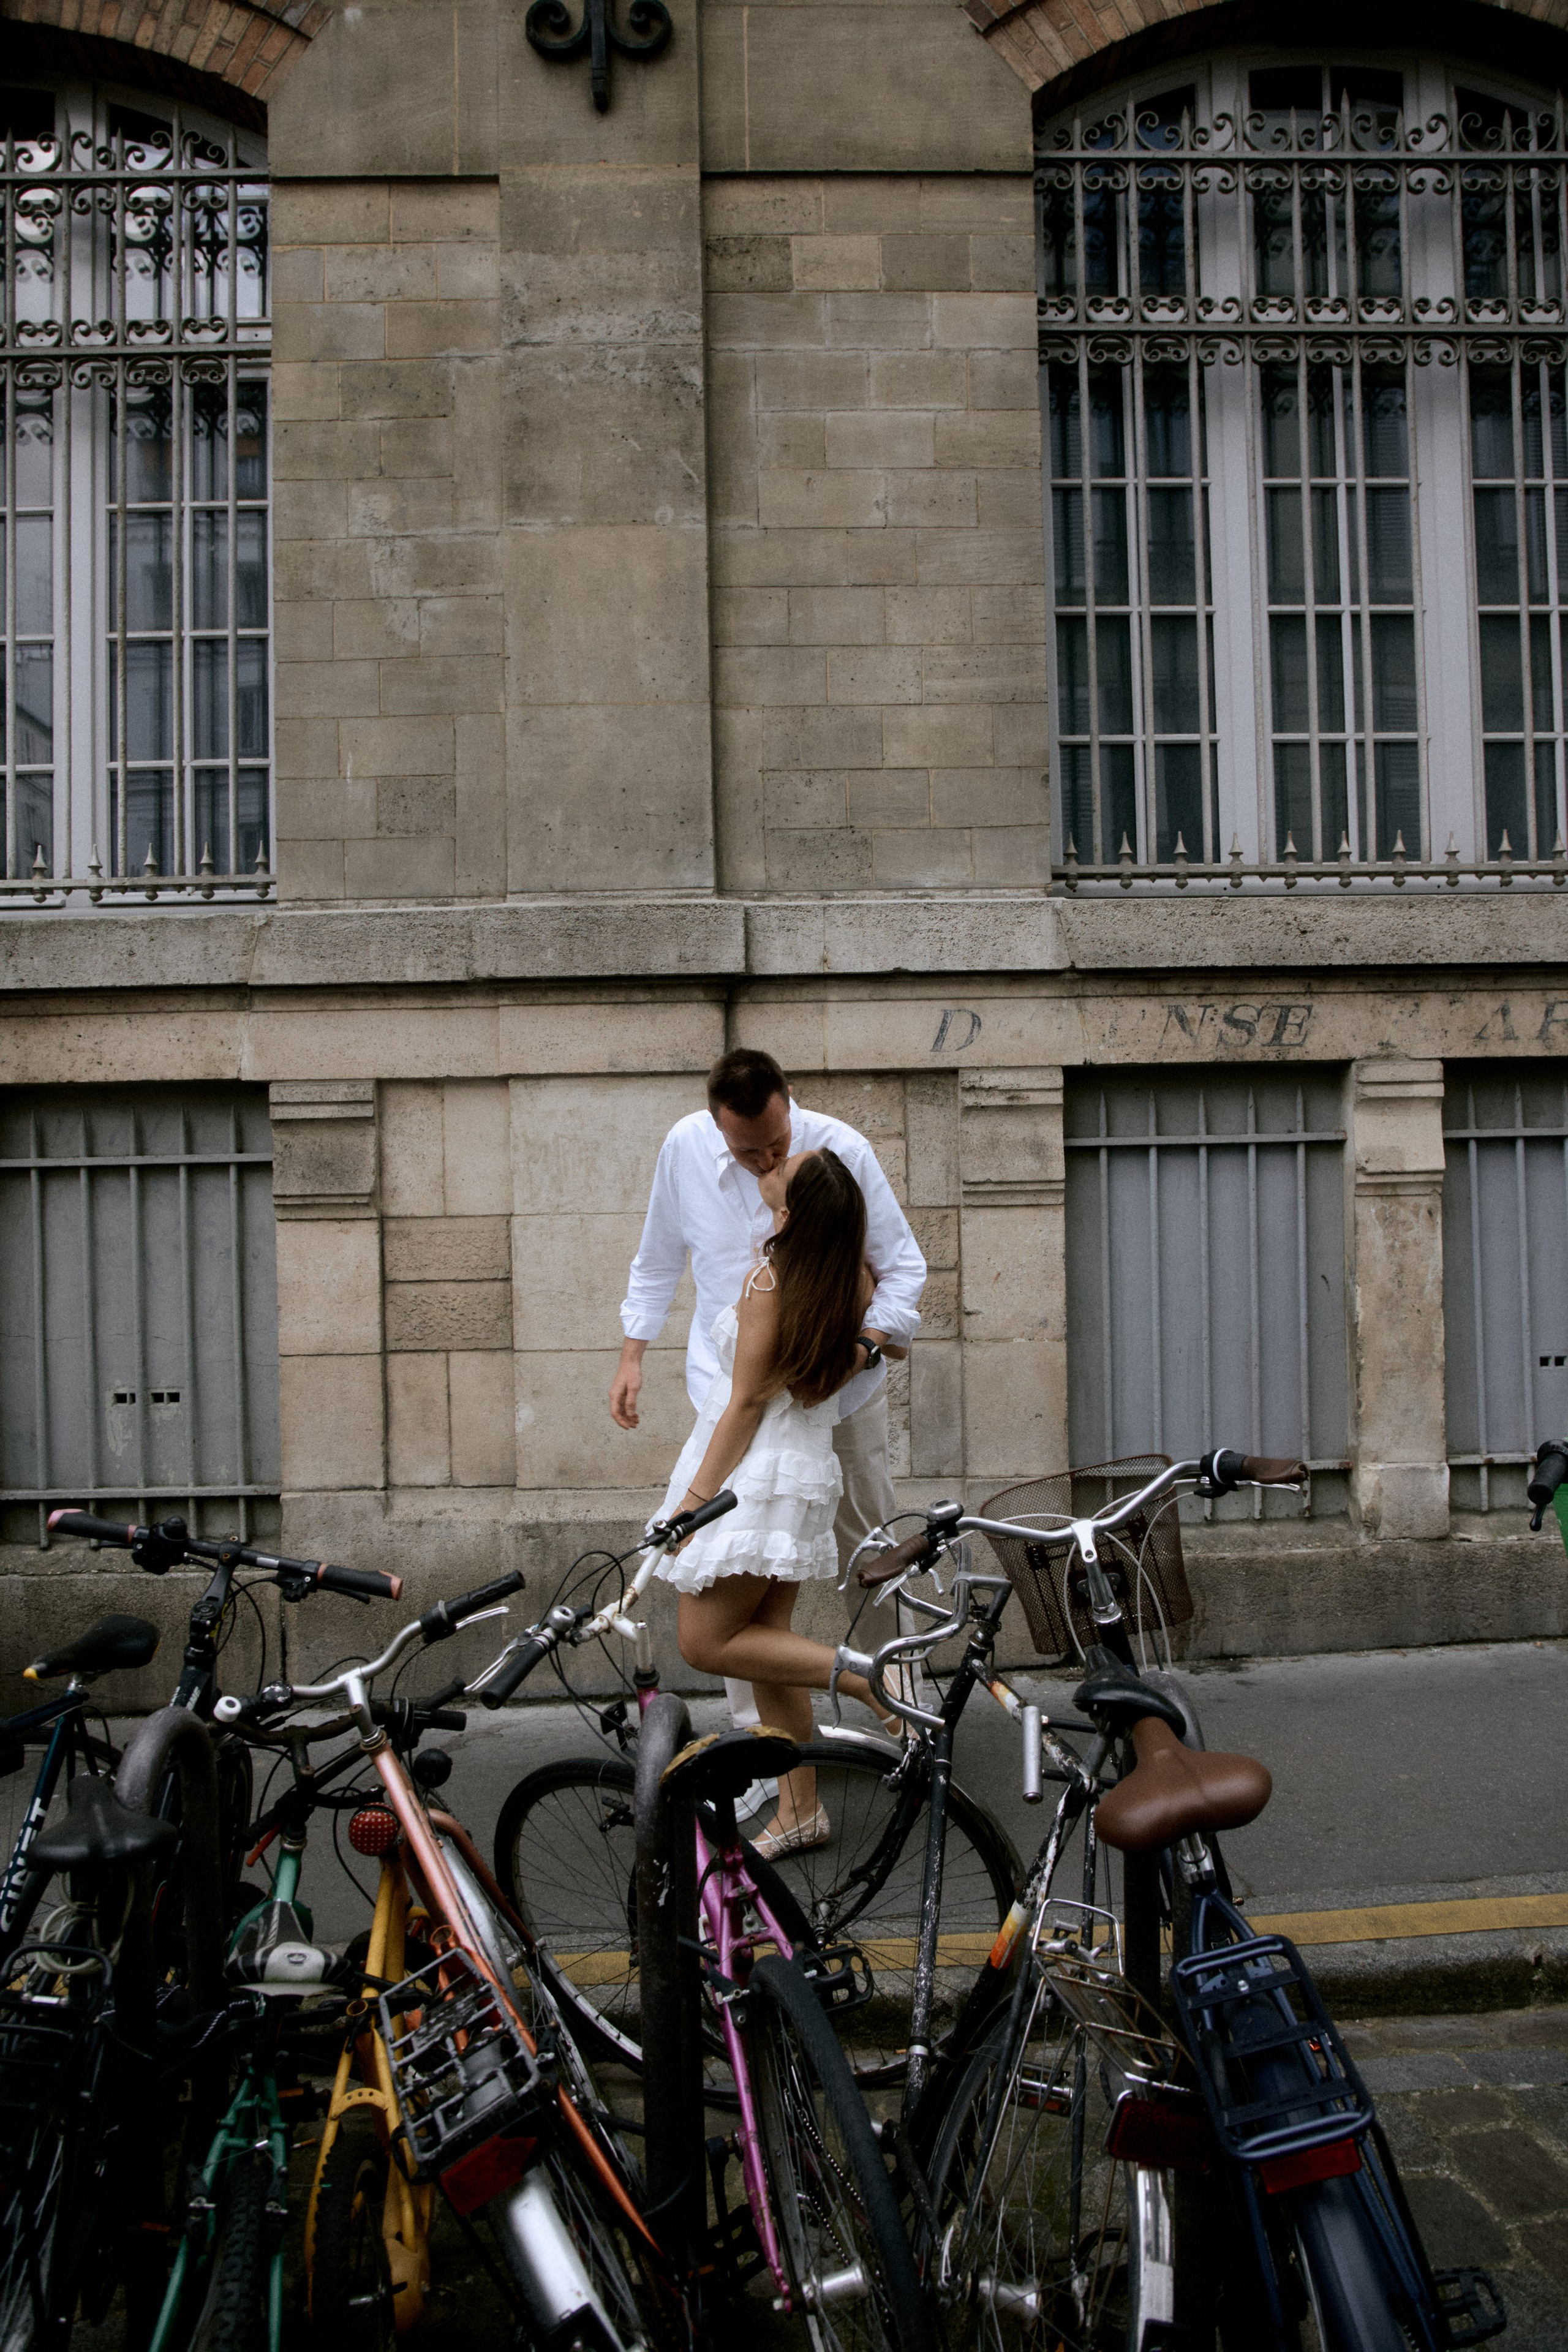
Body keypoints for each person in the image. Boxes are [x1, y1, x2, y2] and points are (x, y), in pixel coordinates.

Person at [612, 1046, 927, 1737]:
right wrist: (633, 1351)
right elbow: (658, 1252)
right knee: (737, 1582)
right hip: (727, 1400)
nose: (765, 1163)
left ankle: (904, 1709)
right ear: (716, 1125)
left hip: (834, 1405)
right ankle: (770, 1752)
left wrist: (853, 1354)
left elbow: (902, 1274)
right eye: (748, 1151)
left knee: (869, 1545)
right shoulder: (684, 1149)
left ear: (790, 1099)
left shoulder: (837, 1154)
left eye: (777, 1147)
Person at [649, 1147, 902, 1855]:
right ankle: (800, 1811)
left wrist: (690, 1508)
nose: (773, 1164)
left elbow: (747, 1402)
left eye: (783, 1170)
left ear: (789, 1214)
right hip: (799, 1475)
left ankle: (862, 1679)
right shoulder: (847, 1277)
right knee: (763, 1651)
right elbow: (825, 1374)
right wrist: (871, 1347)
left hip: (753, 1477)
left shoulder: (771, 1279)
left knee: (706, 1642)